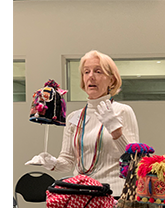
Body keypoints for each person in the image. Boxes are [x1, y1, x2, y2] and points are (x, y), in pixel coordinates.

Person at [27, 50, 139, 195]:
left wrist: (116, 132)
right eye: (86, 72)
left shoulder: (122, 111)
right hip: (81, 194)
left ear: (111, 80)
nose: (91, 76)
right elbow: (67, 161)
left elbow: (134, 160)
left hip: (114, 194)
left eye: (98, 71)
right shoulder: (74, 117)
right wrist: (52, 163)